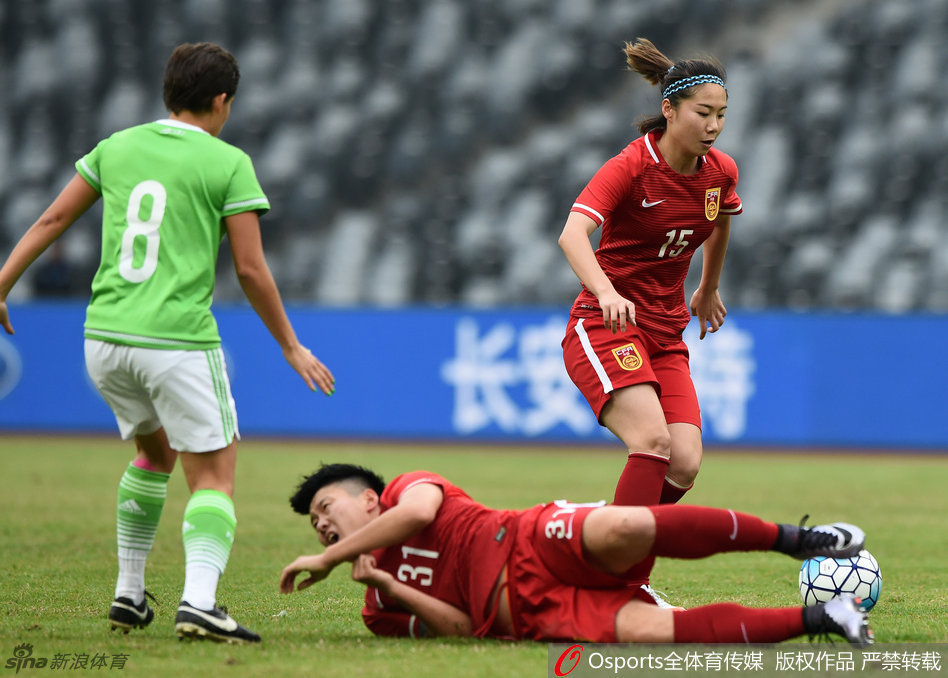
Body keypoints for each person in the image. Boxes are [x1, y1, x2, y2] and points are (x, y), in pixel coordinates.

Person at [0, 42, 335, 644]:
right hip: (175, 340)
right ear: (221, 100)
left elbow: (52, 221)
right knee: (215, 478)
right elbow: (252, 270)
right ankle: (200, 603)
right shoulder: (227, 162)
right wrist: (289, 344)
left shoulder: (117, 147)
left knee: (154, 457)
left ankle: (130, 594)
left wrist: (1, 285)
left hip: (103, 338)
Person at [279, 463, 874, 646]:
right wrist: (390, 586)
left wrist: (332, 560)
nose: (323, 525)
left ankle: (797, 541)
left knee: (626, 529)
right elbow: (461, 629)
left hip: (527, 537)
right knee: (658, 633)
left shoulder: (409, 487)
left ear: (368, 497)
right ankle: (827, 618)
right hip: (533, 615)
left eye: (327, 508)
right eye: (317, 527)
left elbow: (419, 517)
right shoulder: (375, 608)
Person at [558, 38, 741, 599]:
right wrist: (608, 291)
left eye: (722, 116)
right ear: (669, 109)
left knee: (683, 464)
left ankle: (594, 538)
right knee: (653, 442)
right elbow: (571, 234)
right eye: (702, 114)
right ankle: (617, 582)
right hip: (605, 325)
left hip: (666, 334)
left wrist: (707, 286)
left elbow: (722, 219)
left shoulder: (719, 172)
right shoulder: (631, 166)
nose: (713, 126)